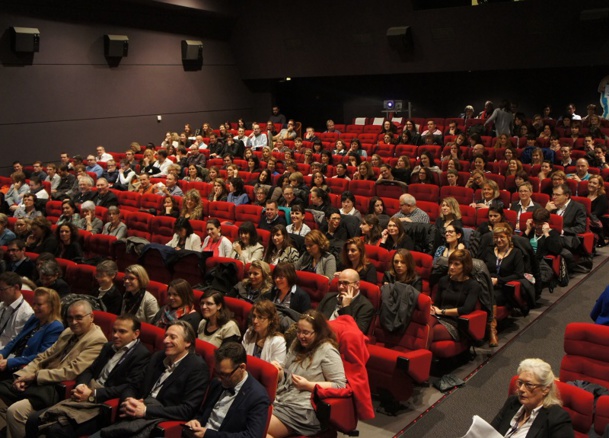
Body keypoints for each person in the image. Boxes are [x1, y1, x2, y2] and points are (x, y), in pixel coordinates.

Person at [24, 314, 149, 438]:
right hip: (86, 393)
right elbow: (89, 370)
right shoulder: (108, 346)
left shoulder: (142, 355)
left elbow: (128, 387)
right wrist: (81, 385)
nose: (115, 335)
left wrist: (93, 394)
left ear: (136, 334)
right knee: (34, 419)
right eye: (114, 331)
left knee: (56, 429)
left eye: (122, 332)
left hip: (103, 404)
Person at [0, 300, 106, 438]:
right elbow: (43, 356)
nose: (73, 322)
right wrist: (23, 375)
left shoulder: (97, 340)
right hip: (38, 380)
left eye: (79, 317)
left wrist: (34, 376)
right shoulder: (68, 331)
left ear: (91, 317)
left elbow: (71, 371)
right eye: (70, 318)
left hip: (54, 388)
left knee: (15, 411)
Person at [92, 321, 209, 437]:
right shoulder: (158, 357)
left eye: (173, 337)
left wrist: (146, 411)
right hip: (133, 415)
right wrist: (129, 401)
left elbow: (186, 410)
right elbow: (133, 385)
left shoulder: (197, 368)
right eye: (166, 336)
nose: (166, 341)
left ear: (188, 342)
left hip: (156, 423)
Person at [266, 310, 346, 438]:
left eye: (306, 332)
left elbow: (340, 385)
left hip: (304, 408)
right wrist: (278, 371)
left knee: (259, 428)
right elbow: (286, 372)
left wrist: (308, 385)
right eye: (299, 331)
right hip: (284, 398)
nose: (301, 336)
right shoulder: (297, 344)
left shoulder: (327, 350)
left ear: (319, 332)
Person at [183, 342, 270, 438]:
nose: (220, 378)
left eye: (225, 374)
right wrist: (196, 421)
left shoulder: (258, 396)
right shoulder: (217, 382)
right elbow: (202, 413)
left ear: (242, 368)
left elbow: (252, 436)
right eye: (217, 372)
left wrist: (208, 435)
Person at [491, 358, 574, 436]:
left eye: (529, 385)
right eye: (520, 383)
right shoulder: (512, 402)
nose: (521, 389)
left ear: (545, 389)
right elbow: (490, 432)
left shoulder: (557, 418)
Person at [0, 288, 62, 382]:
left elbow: (41, 357)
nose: (35, 308)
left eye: (39, 305)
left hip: (24, 369)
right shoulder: (34, 318)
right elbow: (15, 340)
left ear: (52, 306)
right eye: (34, 304)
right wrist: (2, 354)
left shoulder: (55, 327)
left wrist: (9, 362)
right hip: (12, 360)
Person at [431, 249, 482, 343]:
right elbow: (437, 303)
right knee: (419, 326)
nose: (451, 267)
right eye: (450, 263)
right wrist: (432, 309)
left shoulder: (473, 285)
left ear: (465, 266)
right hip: (438, 318)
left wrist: (442, 312)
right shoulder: (443, 280)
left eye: (456, 264)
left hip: (456, 323)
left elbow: (466, 309)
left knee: (428, 331)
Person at [317, 269, 375, 334]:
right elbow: (315, 318)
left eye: (345, 283)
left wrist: (346, 307)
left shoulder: (366, 307)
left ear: (357, 285)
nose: (341, 287)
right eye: (339, 283)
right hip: (320, 335)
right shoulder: (329, 297)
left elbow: (355, 334)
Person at [0, 272, 35, 350]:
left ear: (16, 288)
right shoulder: (2, 305)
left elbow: (15, 344)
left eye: (2, 289)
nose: (0, 293)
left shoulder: (26, 313)